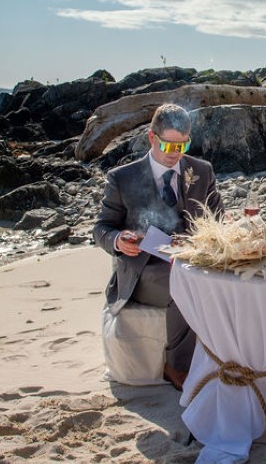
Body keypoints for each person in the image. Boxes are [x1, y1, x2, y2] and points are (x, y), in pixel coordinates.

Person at [93, 103, 224, 391]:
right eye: (168, 144)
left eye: (183, 144)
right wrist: (118, 241)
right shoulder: (122, 178)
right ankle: (177, 366)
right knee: (186, 283)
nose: (175, 152)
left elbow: (219, 220)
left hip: (194, 260)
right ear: (152, 138)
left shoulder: (202, 171)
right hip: (144, 269)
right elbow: (101, 228)